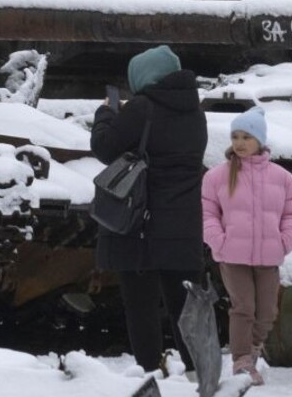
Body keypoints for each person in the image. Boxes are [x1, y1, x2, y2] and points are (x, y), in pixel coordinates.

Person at [91, 45, 207, 375]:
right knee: (184, 307)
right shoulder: (196, 113)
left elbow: (104, 147)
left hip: (140, 224)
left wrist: (107, 113)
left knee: (141, 307)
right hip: (183, 226)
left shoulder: (142, 108)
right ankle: (198, 371)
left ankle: (150, 371)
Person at [201, 107, 292, 386]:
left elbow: (291, 215)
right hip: (232, 256)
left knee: (268, 311)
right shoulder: (217, 176)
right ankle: (242, 360)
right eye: (235, 136)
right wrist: (218, 241)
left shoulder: (282, 177)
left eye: (246, 136)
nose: (240, 142)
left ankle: (253, 351)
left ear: (260, 140)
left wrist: (285, 241)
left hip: (269, 256)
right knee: (243, 307)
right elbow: (208, 214)